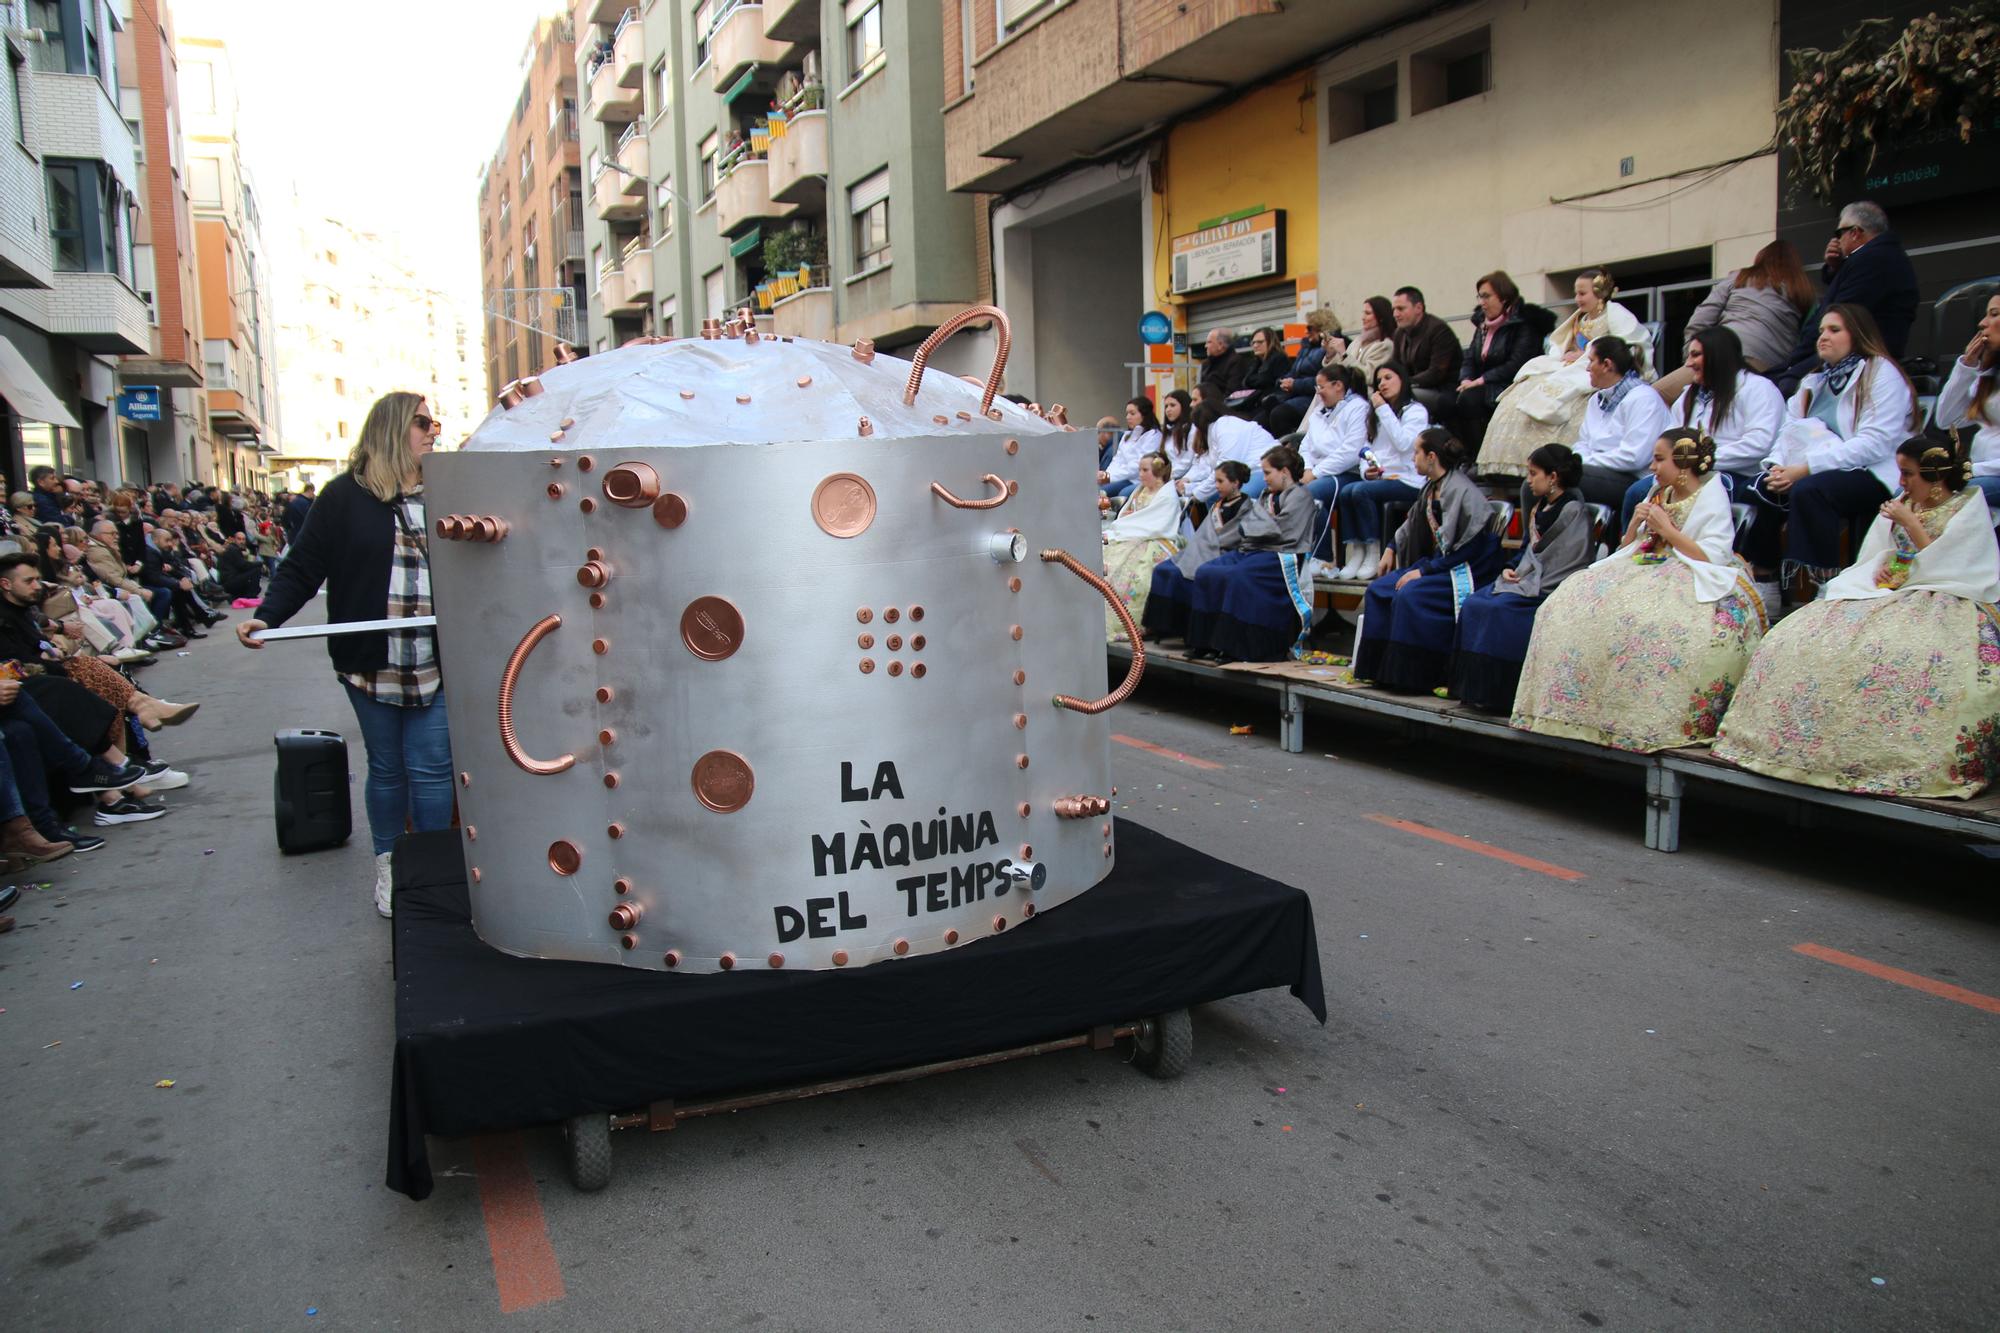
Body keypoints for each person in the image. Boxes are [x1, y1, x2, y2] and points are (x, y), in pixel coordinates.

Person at [241, 391, 452, 919]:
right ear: (391, 428)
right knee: (387, 770)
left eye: (435, 423)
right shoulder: (341, 497)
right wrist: (267, 617)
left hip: (441, 659)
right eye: (423, 422)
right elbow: (301, 567)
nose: (434, 432)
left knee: (432, 770)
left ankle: (432, 870)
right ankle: (390, 864)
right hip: (369, 658)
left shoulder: (450, 493)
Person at [1714, 440, 2000, 797]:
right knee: (1807, 633)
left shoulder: (1966, 506)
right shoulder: (1904, 503)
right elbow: (1877, 553)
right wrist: (1879, 570)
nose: (1902, 481)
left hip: (1946, 593)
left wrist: (1910, 525)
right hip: (1888, 592)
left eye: (1909, 474)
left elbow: (1959, 564)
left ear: (1936, 476)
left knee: (1910, 654)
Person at [1512, 429, 1767, 751]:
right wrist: (1635, 524)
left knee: (1652, 625)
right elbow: (1633, 543)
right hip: (1645, 564)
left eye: (1660, 459)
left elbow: (1711, 555)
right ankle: (1578, 711)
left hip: (1691, 570)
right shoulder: (1660, 492)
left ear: (1684, 463)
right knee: (1568, 601)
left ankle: (1643, 720)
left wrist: (1667, 530)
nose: (1652, 467)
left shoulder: (1710, 493)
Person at [1746, 303, 1917, 594]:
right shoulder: (1815, 380)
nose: (1823, 336)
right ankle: (1767, 580)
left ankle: (1822, 584)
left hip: (1872, 472)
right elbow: (1788, 431)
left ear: (1857, 334)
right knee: (1760, 487)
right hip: (1815, 469)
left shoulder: (1881, 372)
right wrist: (1777, 466)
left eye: (1834, 330)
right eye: (1821, 330)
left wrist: (1804, 469)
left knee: (1810, 490)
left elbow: (1874, 444)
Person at [1350, 429, 1503, 690]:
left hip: (1462, 569)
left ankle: (1414, 676)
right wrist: (1391, 547)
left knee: (1410, 593)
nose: (1413, 459)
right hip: (1438, 564)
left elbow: (1471, 547)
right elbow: (1411, 524)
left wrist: (1425, 571)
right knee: (1378, 590)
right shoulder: (1431, 488)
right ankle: (1378, 669)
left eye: (1416, 453)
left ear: (1431, 457)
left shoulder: (1463, 492)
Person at [1448, 444, 1593, 713]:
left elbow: (1570, 558)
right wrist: (1511, 568)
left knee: (1499, 610)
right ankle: (1472, 690)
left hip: (1549, 584)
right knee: (1474, 603)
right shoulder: (1539, 508)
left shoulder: (1573, 511)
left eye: (1533, 473)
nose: (1528, 480)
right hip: (1527, 577)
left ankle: (1498, 695)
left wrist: (1532, 578)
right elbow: (1528, 549)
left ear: (1553, 477)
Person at [1477, 268, 1655, 479]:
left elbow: (1627, 347)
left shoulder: (1615, 314)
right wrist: (1566, 354)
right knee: (1532, 376)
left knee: (1564, 386)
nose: (1577, 298)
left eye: (1582, 293)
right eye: (1576, 293)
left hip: (1596, 367)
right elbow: (1562, 343)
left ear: (1598, 292)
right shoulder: (1580, 318)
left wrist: (1585, 355)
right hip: (1573, 363)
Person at [1621, 326, 1786, 534]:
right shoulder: (1688, 396)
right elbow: (1672, 439)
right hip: (1689, 472)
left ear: (1718, 354)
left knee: (1700, 495)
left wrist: (1698, 460)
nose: (1689, 363)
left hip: (1737, 476)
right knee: (1637, 493)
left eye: (1696, 355)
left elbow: (1760, 444)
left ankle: (1692, 556)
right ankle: (1636, 552)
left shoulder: (1758, 388)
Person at [1178, 447, 1318, 662]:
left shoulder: (1301, 496)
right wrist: (1258, 527)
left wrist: (1257, 527)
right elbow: (1254, 525)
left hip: (1282, 556)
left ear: (1285, 471)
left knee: (1237, 576)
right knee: (1207, 571)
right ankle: (1205, 642)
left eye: (1268, 472)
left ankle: (1234, 646)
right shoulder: (1266, 495)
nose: (1264, 479)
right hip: (1254, 549)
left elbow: (1280, 530)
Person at [1769, 200, 1920, 395]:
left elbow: (1843, 313)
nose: (1836, 240)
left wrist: (1797, 359)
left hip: (1858, 355)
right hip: (1852, 351)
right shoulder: (1877, 257)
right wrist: (1836, 267)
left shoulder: (1873, 260)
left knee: (1780, 387)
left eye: (1839, 233)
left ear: (1855, 232)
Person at [1332, 361, 1431, 579]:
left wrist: (1383, 409)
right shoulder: (1377, 415)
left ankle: (1373, 550)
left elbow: (1404, 444)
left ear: (1402, 380)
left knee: (1360, 492)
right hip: (1385, 478)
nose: (1382, 384)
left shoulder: (1414, 411)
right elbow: (1367, 449)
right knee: (1348, 490)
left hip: (1409, 479)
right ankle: (1357, 550)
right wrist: (1367, 470)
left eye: (1388, 378)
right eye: (1378, 380)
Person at [1142, 460, 1252, 642]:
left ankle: (1188, 630)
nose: (1216, 486)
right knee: (1163, 570)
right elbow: (1204, 532)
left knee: (1190, 574)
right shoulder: (1218, 505)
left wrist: (1209, 544)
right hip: (1201, 548)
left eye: (1221, 481)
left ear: (1235, 483)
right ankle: (1161, 625)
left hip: (1223, 552)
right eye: (1215, 481)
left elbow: (1235, 535)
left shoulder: (1246, 507)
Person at [1674, 240, 1812, 378]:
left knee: (1658, 394)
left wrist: (1691, 355)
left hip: (1724, 354)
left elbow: (1701, 318)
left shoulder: (1740, 277)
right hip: (1772, 367)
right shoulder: (1803, 292)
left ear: (1760, 259)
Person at [1455, 271, 1553, 455]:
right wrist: (1465, 379)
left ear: (1504, 297)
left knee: (1468, 400)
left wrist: (1480, 380)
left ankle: (1479, 457)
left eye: (1486, 296)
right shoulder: (1483, 325)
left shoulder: (1524, 324)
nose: (1481, 302)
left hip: (1511, 385)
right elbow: (1470, 357)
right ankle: (1464, 458)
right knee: (1453, 399)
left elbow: (1517, 364)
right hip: (1485, 384)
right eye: (1480, 296)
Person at [1572, 336, 1673, 509]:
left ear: (1607, 365)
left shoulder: (1643, 398)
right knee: (1542, 477)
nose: (1587, 368)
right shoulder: (1596, 399)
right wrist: (1579, 459)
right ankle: (1538, 535)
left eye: (1591, 361)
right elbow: (1583, 442)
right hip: (1598, 469)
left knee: (1561, 477)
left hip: (1635, 478)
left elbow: (1634, 457)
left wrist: (1584, 461)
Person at [1297, 363, 1370, 574]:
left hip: (1349, 473)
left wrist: (1316, 473)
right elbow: (1305, 446)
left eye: (1321, 387)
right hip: (1318, 472)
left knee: (1312, 494)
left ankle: (1323, 557)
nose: (1319, 393)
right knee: (1294, 492)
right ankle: (1301, 554)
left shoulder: (1358, 407)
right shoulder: (1318, 414)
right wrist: (1307, 469)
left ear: (1338, 385)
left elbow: (1351, 451)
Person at [1101, 453, 1181, 642]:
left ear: (1158, 471)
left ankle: (1128, 624)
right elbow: (1134, 516)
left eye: (1145, 470)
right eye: (1140, 469)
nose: (1140, 474)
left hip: (1156, 538)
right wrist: (1128, 517)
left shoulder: (1167, 496)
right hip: (1132, 533)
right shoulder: (1140, 490)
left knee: (1135, 568)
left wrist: (1130, 521)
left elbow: (1158, 523)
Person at [1936, 292, 2000, 513]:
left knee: (1935, 497)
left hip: (1989, 474)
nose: (1982, 323)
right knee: (1905, 494)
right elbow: (1947, 420)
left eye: (1995, 314)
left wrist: (1967, 471)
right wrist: (1966, 366)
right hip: (1982, 472)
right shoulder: (1991, 375)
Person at [1389, 286, 1463, 419]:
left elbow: (1436, 373)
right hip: (1416, 387)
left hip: (1444, 390)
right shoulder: (1400, 333)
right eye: (1393, 309)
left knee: (1401, 396)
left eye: (1400, 309)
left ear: (1418, 308)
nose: (1395, 314)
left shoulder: (1439, 330)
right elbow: (1395, 368)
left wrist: (1404, 383)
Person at [1263, 309, 1339, 436]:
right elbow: (1294, 371)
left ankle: (1291, 449)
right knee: (1262, 415)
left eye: (1309, 328)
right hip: (1296, 394)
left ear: (1321, 328)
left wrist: (1295, 384)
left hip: (1313, 396)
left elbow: (1324, 379)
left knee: (1279, 414)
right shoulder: (1306, 348)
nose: (1306, 332)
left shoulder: (1330, 348)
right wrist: (1283, 381)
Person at [1185, 402, 1278, 502]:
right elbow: (1214, 469)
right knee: (1213, 497)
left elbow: (1225, 468)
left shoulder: (1226, 428)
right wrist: (1192, 489)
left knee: (1239, 499)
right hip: (1250, 471)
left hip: (1262, 469)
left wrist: (1198, 494)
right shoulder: (1219, 429)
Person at [1099, 397, 1163, 499]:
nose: (1128, 417)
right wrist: (1107, 474)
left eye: (1132, 413)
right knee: (1099, 490)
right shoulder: (1127, 435)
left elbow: (1138, 464)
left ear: (1144, 415)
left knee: (1122, 493)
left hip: (1138, 479)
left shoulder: (1153, 435)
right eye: (1127, 413)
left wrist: (1111, 477)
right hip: (1123, 478)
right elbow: (1117, 460)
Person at [1226, 328, 1291, 418]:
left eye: (1260, 342)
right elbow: (1246, 383)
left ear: (1270, 342)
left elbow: (1278, 386)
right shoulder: (1256, 363)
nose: (1255, 345)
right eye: (1253, 343)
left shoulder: (1279, 359)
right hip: (1254, 405)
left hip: (1270, 406)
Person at [1336, 296, 1396, 382]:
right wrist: (1330, 354)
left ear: (1381, 317)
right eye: (1363, 313)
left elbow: (1369, 376)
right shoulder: (1357, 341)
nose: (1363, 318)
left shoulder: (1385, 345)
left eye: (1368, 313)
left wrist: (1344, 355)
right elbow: (1339, 371)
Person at [1196, 328, 1250, 399]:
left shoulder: (1236, 362)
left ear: (1220, 345)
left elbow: (1232, 393)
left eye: (1209, 342)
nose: (1205, 346)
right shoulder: (1206, 364)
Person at [215, 531, 263, 600]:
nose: (241, 541)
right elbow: (243, 566)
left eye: (243, 539)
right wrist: (259, 563)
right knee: (256, 570)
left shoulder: (233, 548)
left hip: (229, 580)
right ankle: (251, 595)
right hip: (229, 582)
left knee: (255, 581)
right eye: (239, 539)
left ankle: (243, 594)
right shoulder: (233, 549)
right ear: (234, 539)